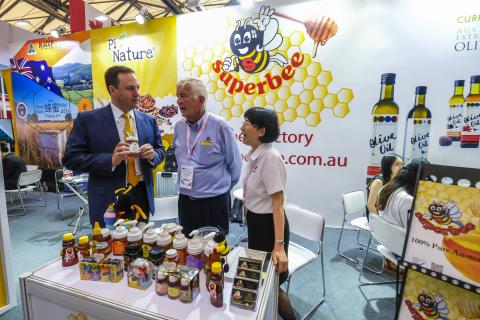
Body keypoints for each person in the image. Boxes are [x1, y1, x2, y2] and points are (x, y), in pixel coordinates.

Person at [62, 66, 165, 227]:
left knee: (142, 248)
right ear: (112, 90)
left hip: (142, 197)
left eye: (137, 87)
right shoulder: (88, 120)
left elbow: (160, 151)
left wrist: (153, 155)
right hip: (108, 199)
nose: (137, 94)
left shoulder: (148, 120)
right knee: (109, 249)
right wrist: (110, 160)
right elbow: (70, 159)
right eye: (130, 88)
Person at [241, 107, 296, 320]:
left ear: (261, 131)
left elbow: (278, 202)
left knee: (271, 283)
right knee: (262, 278)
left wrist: (279, 245)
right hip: (256, 223)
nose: (242, 128)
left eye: (247, 123)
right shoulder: (255, 155)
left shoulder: (271, 158)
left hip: (269, 227)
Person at [174, 78, 242, 236]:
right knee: (189, 249)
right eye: (178, 96)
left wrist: (219, 189)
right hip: (185, 201)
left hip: (214, 202)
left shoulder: (221, 127)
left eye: (184, 96)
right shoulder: (179, 127)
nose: (178, 101)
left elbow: (235, 165)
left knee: (215, 252)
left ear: (201, 100)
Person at [375, 158, 429, 229]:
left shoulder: (385, 188)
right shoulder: (408, 199)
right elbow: (410, 230)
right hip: (399, 237)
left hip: (384, 234)